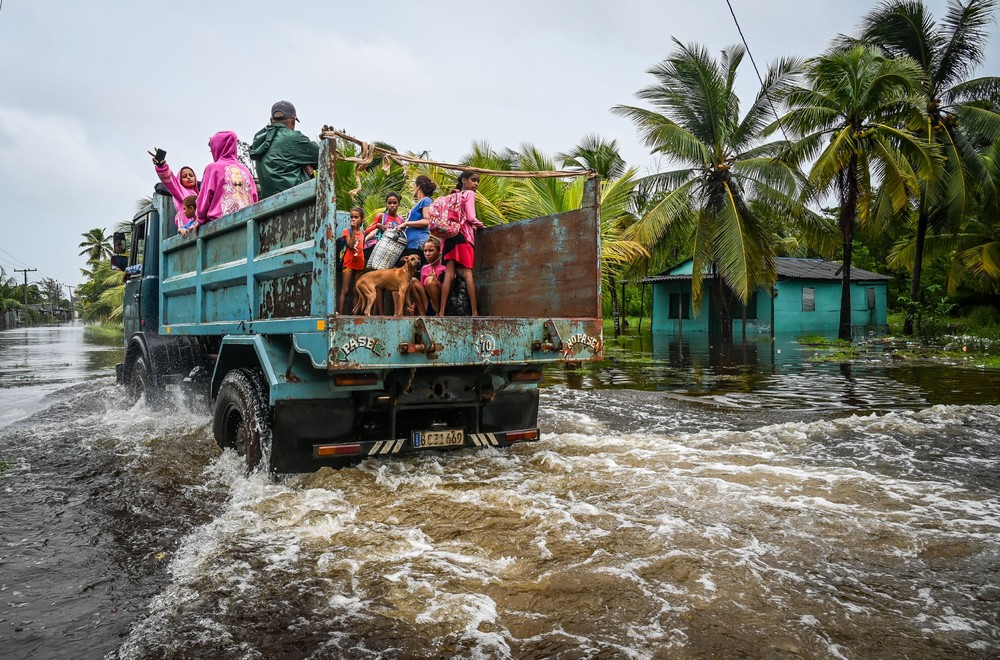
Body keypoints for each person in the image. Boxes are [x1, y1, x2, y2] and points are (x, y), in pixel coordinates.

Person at [249, 100, 320, 199]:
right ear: (293, 120)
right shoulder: (293, 138)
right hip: (297, 201)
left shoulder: (260, 140)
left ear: (271, 120)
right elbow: (323, 157)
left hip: (269, 205)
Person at [438, 171, 485, 316]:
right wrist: (480, 225)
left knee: (449, 273)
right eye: (473, 180)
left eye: (477, 181)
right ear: (464, 180)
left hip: (450, 236)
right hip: (463, 236)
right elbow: (471, 217)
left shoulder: (454, 195)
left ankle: (441, 312)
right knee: (467, 272)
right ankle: (475, 312)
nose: (476, 184)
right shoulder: (469, 194)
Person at [196, 131, 258, 226]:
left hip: (219, 226)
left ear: (217, 147)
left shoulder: (212, 169)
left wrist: (200, 221)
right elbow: (254, 198)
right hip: (247, 223)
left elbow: (203, 201)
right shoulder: (245, 171)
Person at [151, 154, 200, 235]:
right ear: (179, 180)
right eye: (184, 176)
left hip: (198, 229)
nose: (188, 177)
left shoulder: (199, 193)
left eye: (191, 175)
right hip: (188, 232)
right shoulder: (180, 192)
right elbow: (170, 181)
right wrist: (161, 167)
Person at [400, 175, 436, 264]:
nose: (413, 188)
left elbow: (427, 221)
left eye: (414, 186)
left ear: (418, 186)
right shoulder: (419, 203)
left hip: (417, 244)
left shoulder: (426, 200)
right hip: (410, 244)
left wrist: (406, 223)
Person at [338, 207, 366, 314]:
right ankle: (340, 314)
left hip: (359, 264)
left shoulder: (363, 233)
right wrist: (354, 231)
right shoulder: (347, 231)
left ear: (361, 219)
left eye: (356, 217)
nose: (353, 219)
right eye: (352, 217)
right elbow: (350, 245)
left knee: (356, 291)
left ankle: (354, 314)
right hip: (348, 264)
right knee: (345, 289)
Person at [363, 192, 405, 262]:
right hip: (379, 249)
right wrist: (378, 225)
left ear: (399, 204)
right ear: (386, 204)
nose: (392, 205)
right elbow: (367, 231)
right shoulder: (381, 216)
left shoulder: (401, 220)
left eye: (394, 203)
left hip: (392, 252)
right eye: (389, 203)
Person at [408, 236, 445, 315]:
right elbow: (421, 289)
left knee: (430, 280)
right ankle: (422, 313)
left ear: (439, 251)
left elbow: (446, 291)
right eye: (425, 251)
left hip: (441, 304)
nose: (427, 254)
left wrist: (435, 280)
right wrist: (414, 306)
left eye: (431, 250)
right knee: (413, 280)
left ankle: (437, 313)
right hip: (427, 303)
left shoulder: (444, 268)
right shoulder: (424, 268)